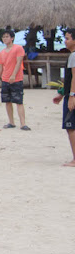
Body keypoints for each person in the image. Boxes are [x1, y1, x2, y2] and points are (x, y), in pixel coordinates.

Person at [0, 30, 30, 130]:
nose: (5, 38)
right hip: (5, 79)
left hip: (16, 79)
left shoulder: (18, 48)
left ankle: (23, 123)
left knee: (19, 101)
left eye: (7, 37)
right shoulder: (2, 52)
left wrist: (13, 75)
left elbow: (19, 62)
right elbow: (1, 66)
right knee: (7, 101)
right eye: (3, 37)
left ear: (12, 38)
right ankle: (11, 122)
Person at [52, 28, 75, 166]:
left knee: (71, 126)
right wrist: (61, 93)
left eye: (67, 38)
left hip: (73, 95)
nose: (65, 41)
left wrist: (71, 96)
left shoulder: (73, 56)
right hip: (69, 93)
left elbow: (74, 78)